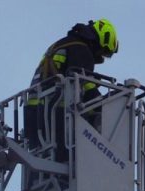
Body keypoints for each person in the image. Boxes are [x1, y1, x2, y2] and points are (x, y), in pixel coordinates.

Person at [25, 19, 119, 161]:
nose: (100, 56)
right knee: (66, 165)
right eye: (103, 51)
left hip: (33, 113)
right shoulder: (81, 50)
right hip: (56, 114)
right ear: (100, 40)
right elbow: (85, 84)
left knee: (39, 171)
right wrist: (102, 109)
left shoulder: (60, 45)